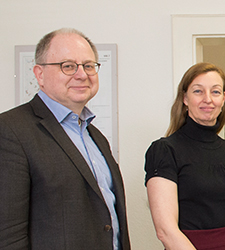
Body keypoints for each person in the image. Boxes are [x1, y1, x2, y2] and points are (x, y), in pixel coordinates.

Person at [0, 28, 131, 249]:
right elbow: (7, 234)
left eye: (89, 66)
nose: (82, 74)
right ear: (39, 74)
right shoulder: (10, 130)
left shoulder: (95, 136)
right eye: (68, 66)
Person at [144, 62, 225, 250]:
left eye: (215, 92)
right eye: (198, 91)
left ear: (223, 99)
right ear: (185, 98)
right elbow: (165, 230)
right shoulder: (165, 151)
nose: (208, 99)